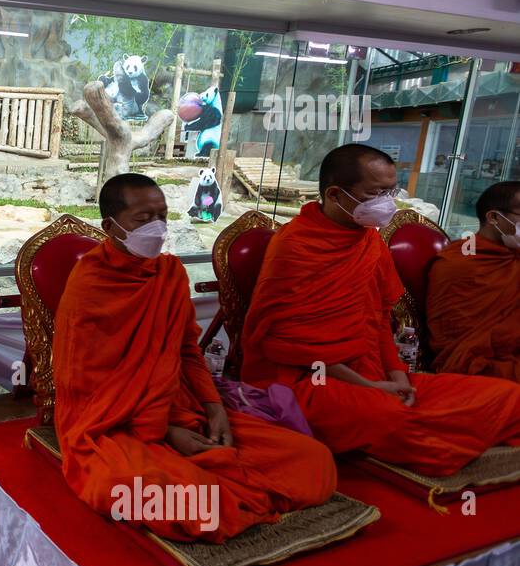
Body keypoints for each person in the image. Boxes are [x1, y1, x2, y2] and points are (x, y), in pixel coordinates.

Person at [52, 173, 336, 543]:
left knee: (314, 461)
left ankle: (227, 487)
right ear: (111, 226)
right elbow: (82, 385)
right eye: (143, 219)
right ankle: (226, 491)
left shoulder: (169, 273)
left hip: (181, 407)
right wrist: (166, 431)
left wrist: (214, 408)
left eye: (162, 216)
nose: (157, 227)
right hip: (110, 423)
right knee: (145, 494)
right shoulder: (90, 283)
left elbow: (187, 349)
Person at [242, 144, 520, 476]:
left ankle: (435, 436)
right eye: (375, 193)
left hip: (372, 371)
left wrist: (398, 377)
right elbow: (289, 348)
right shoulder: (296, 246)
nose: (386, 202)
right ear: (335, 194)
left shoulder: (369, 243)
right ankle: (438, 438)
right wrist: (370, 388)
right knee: (390, 417)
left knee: (509, 396)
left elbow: (376, 322)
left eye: (391, 190)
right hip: (307, 380)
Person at [426, 180, 520, 380]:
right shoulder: (460, 263)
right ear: (494, 217)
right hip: (483, 363)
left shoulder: (514, 254)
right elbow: (458, 340)